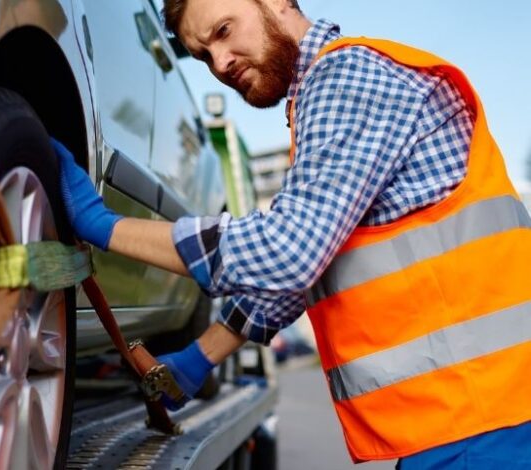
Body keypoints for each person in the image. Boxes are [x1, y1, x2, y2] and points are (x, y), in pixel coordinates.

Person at [51, 0, 531, 467]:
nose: (219, 63)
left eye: (222, 31)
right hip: (476, 412)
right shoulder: (324, 97)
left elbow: (287, 251)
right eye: (202, 56)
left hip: (485, 419)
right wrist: (200, 356)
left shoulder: (347, 78)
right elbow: (310, 265)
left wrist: (106, 226)